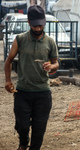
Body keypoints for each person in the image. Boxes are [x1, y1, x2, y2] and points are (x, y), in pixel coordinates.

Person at [4, 5, 59, 150]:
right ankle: (23, 143)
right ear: (29, 22)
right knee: (22, 125)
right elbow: (8, 61)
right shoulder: (20, 39)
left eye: (40, 25)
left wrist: (51, 66)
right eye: (35, 25)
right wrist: (8, 81)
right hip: (23, 91)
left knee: (39, 128)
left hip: (42, 92)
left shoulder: (50, 42)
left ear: (44, 22)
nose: (38, 28)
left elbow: (56, 63)